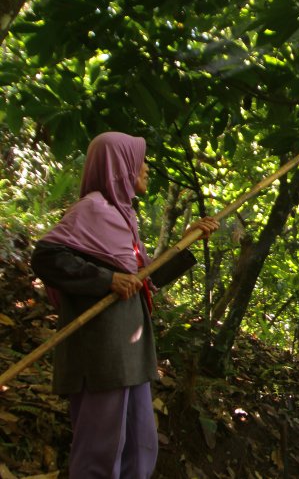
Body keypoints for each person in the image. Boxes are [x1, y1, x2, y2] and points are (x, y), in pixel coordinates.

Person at [31, 131, 219, 478]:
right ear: (119, 167)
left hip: (130, 353)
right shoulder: (91, 209)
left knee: (139, 442)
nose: (145, 168)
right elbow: (45, 258)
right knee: (101, 447)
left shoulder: (123, 218)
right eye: (138, 161)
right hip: (101, 353)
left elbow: (146, 280)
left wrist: (186, 243)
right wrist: (107, 280)